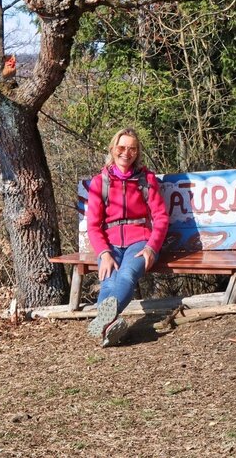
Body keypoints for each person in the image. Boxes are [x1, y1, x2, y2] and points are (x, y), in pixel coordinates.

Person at [85, 127, 169, 347]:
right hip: (109, 245)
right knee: (108, 282)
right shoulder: (100, 182)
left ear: (137, 152)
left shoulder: (146, 179)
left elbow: (161, 217)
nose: (126, 153)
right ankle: (109, 329)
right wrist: (104, 253)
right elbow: (93, 225)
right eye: (122, 147)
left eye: (132, 148)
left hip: (140, 242)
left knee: (127, 275)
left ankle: (103, 322)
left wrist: (152, 247)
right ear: (113, 149)